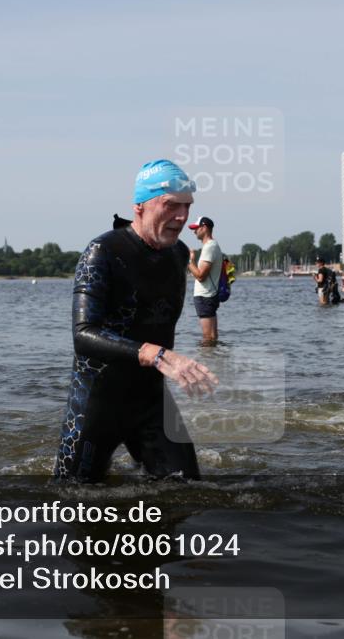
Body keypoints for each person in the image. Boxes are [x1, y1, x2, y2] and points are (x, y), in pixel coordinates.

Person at [54, 159, 219, 483]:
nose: (182, 216)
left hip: (150, 400)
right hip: (97, 402)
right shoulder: (102, 252)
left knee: (189, 491)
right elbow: (84, 335)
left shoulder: (177, 255)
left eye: (187, 206)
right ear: (139, 206)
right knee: (69, 497)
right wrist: (157, 354)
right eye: (171, 205)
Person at [186, 216, 222, 344]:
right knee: (212, 336)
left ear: (204, 227)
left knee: (208, 338)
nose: (194, 231)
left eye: (196, 228)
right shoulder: (212, 246)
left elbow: (201, 276)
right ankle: (214, 355)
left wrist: (188, 261)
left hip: (205, 296)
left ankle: (207, 355)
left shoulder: (209, 247)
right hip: (209, 295)